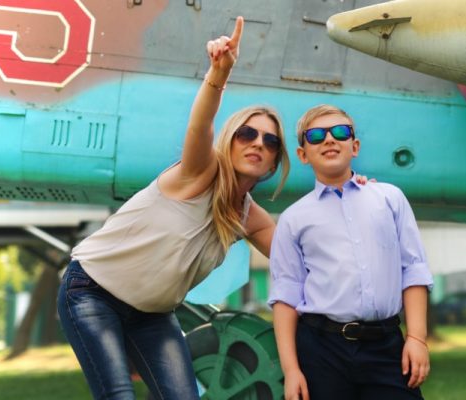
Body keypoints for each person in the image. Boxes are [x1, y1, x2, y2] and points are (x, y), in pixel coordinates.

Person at [57, 17, 291, 399]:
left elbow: (301, 261)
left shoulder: (248, 216)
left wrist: (349, 187)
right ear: (231, 141)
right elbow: (200, 126)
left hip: (152, 316)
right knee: (118, 395)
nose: (257, 144)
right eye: (247, 133)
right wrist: (218, 74)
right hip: (91, 293)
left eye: (269, 141)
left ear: (274, 161)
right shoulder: (200, 172)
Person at [268, 105, 434, 400]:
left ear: (354, 146)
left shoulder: (389, 199)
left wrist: (417, 338)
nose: (330, 140)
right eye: (316, 135)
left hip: (385, 344)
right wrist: (292, 371)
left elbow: (413, 270)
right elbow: (286, 295)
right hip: (322, 349)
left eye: (340, 132)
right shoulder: (293, 219)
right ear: (303, 154)